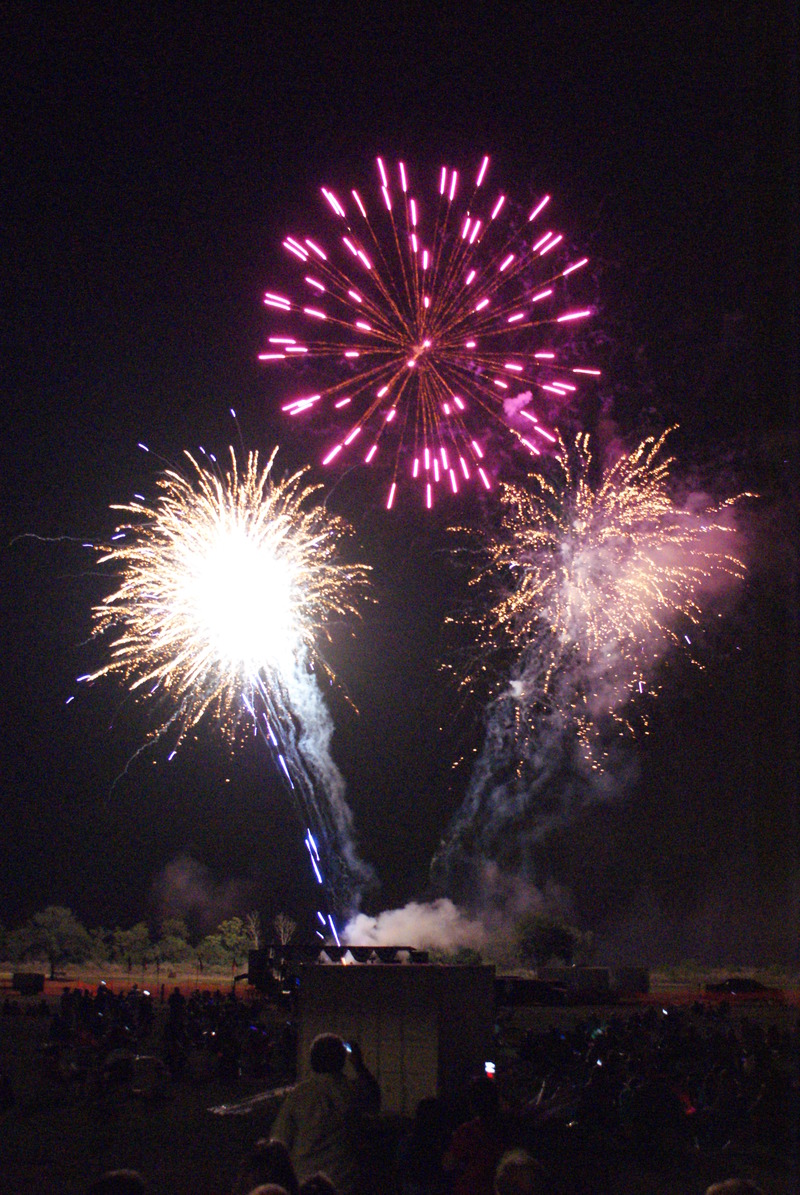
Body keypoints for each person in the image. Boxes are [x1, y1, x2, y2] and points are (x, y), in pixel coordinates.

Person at [270, 1033, 379, 1195]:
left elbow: (280, 1139)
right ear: (342, 1060)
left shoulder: (300, 1095)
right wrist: (359, 1064)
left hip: (306, 1181)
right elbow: (374, 1101)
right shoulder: (353, 1091)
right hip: (344, 1183)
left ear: (313, 1060)